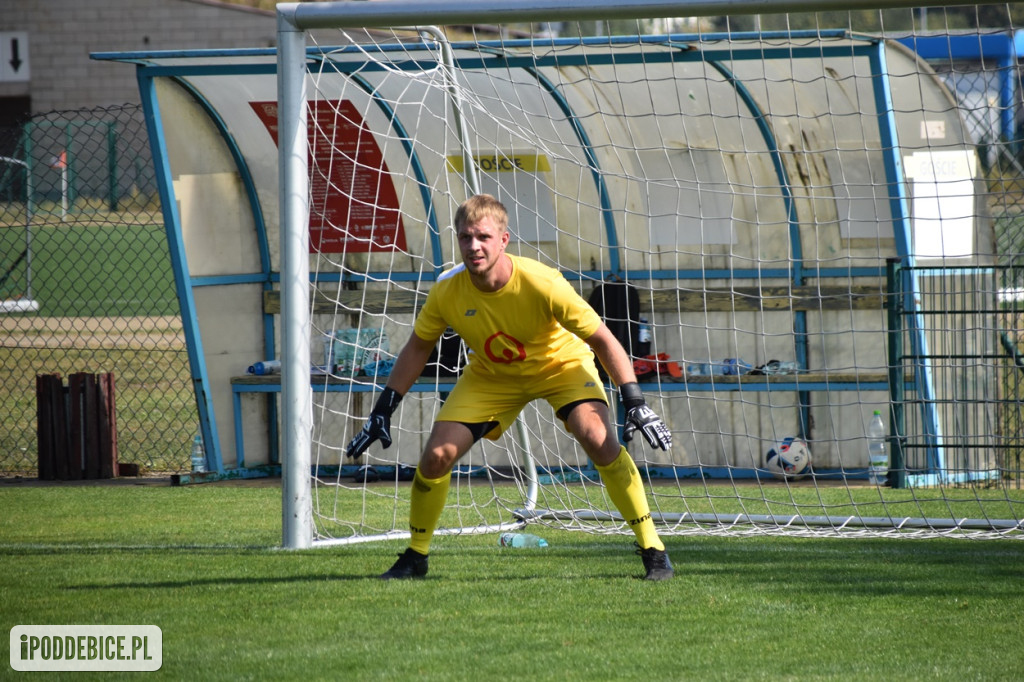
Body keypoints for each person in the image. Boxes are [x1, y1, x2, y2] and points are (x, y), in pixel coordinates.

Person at [346, 194, 674, 580]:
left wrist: (634, 400)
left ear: (504, 240)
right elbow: (418, 346)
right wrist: (384, 407)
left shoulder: (542, 281)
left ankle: (654, 550)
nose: (473, 246)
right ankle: (415, 557)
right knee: (436, 456)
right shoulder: (446, 290)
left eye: (483, 236)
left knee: (599, 438)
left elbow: (603, 338)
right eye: (465, 237)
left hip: (560, 366)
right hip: (492, 376)